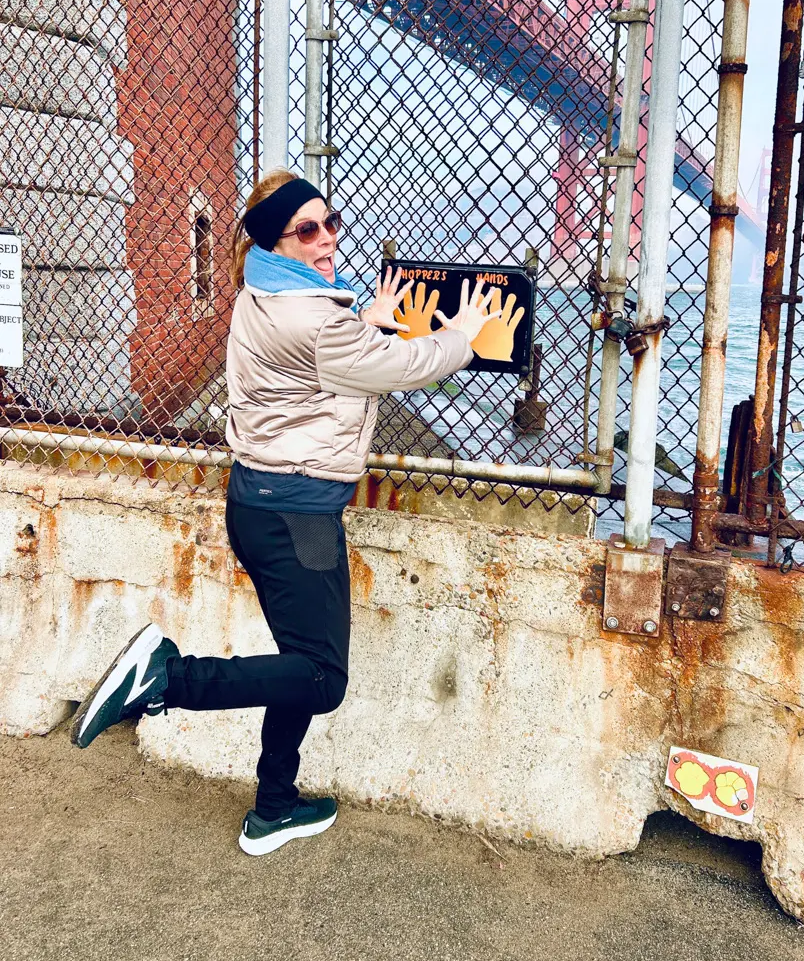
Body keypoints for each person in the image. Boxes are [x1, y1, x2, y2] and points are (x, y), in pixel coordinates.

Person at [69, 169, 500, 856]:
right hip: (298, 517)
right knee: (322, 678)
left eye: (333, 224)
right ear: (275, 239)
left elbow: (310, 359)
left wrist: (362, 324)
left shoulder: (261, 291)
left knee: (299, 662)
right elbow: (407, 367)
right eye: (309, 229)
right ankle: (165, 678)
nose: (327, 239)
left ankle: (275, 804)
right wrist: (467, 333)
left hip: (259, 503)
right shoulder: (314, 319)